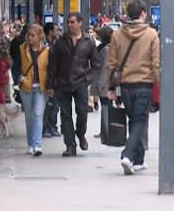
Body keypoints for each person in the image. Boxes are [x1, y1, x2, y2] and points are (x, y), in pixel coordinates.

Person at [107, 0, 160, 175]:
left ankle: (139, 159)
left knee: (133, 119)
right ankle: (127, 155)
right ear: (143, 13)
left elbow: (112, 64)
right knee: (139, 121)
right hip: (144, 84)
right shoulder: (152, 34)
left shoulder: (117, 35)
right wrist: (158, 85)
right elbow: (155, 63)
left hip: (125, 84)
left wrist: (111, 88)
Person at [46, 13, 102, 156]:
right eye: (68, 22)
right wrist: (50, 85)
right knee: (65, 115)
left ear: (80, 23)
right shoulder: (60, 42)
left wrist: (88, 79)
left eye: (72, 22)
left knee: (82, 112)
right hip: (63, 82)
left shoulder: (88, 42)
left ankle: (80, 133)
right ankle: (70, 145)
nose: (70, 25)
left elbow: (96, 64)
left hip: (80, 82)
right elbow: (53, 64)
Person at [14, 24, 49, 157]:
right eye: (28, 35)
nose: (29, 37)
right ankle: (30, 144)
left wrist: (50, 86)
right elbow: (15, 67)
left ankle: (37, 144)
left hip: (41, 87)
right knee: (29, 116)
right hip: (26, 87)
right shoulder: (22, 49)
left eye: (33, 35)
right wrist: (20, 78)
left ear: (40, 36)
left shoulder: (46, 51)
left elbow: (50, 69)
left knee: (38, 114)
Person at [93, 26, 113, 139]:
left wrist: (101, 83)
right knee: (106, 106)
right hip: (107, 82)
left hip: (104, 82)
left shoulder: (105, 49)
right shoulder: (109, 48)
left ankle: (106, 131)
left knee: (106, 106)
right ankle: (105, 130)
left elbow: (104, 68)